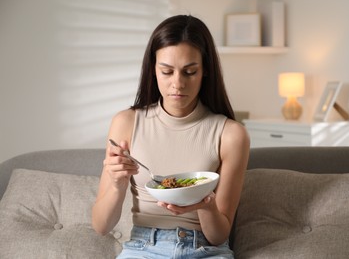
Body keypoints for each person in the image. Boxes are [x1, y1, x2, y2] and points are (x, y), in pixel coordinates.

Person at [92, 14, 250, 258]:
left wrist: (205, 206)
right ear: (153, 69)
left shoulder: (231, 134)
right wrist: (116, 183)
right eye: (167, 71)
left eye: (190, 72)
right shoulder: (126, 123)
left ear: (205, 71)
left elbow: (219, 235)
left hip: (205, 249)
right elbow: (101, 226)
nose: (178, 84)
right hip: (143, 247)